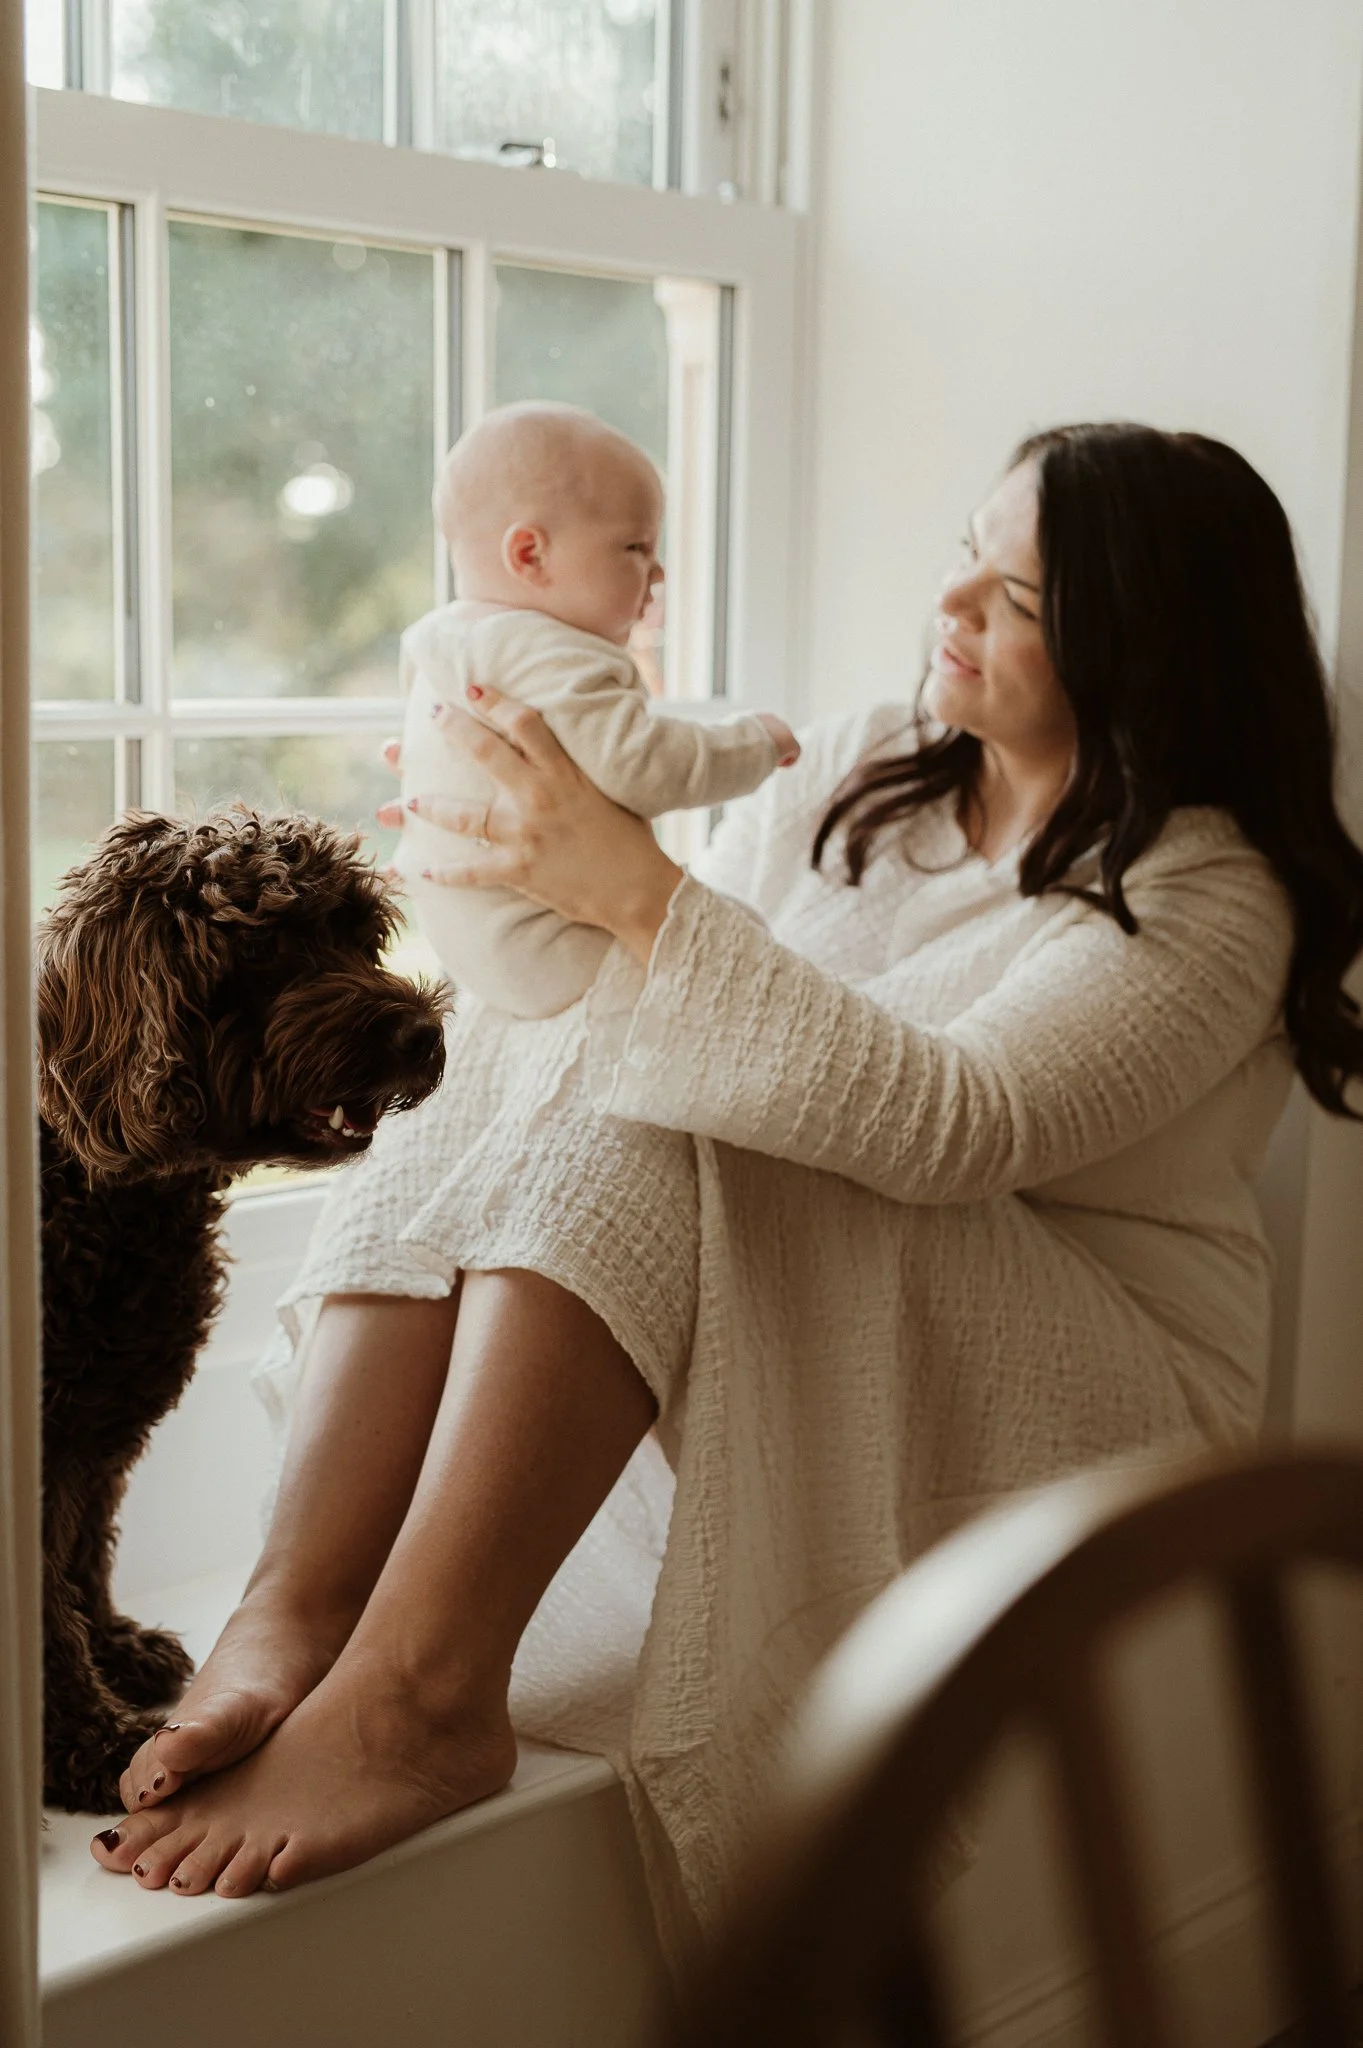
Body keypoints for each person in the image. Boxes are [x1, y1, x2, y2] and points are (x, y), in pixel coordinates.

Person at [92, 423, 1363, 1971]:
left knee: (659, 1088)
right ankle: (301, 1604)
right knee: (507, 1026)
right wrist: (508, 848)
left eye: (1016, 596)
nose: (950, 600)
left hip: (1097, 1389)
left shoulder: (1206, 890)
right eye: (965, 546)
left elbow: (952, 1124)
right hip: (852, 1280)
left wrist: (620, 879)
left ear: (1144, 639)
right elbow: (655, 1003)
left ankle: (427, 1691)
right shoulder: (852, 773)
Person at [397, 400, 798, 1016]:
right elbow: (643, 766)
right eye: (636, 546)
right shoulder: (559, 654)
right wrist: (755, 743)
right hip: (552, 945)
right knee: (738, 941)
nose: (657, 571)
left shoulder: (434, 639)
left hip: (462, 940)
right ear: (530, 555)